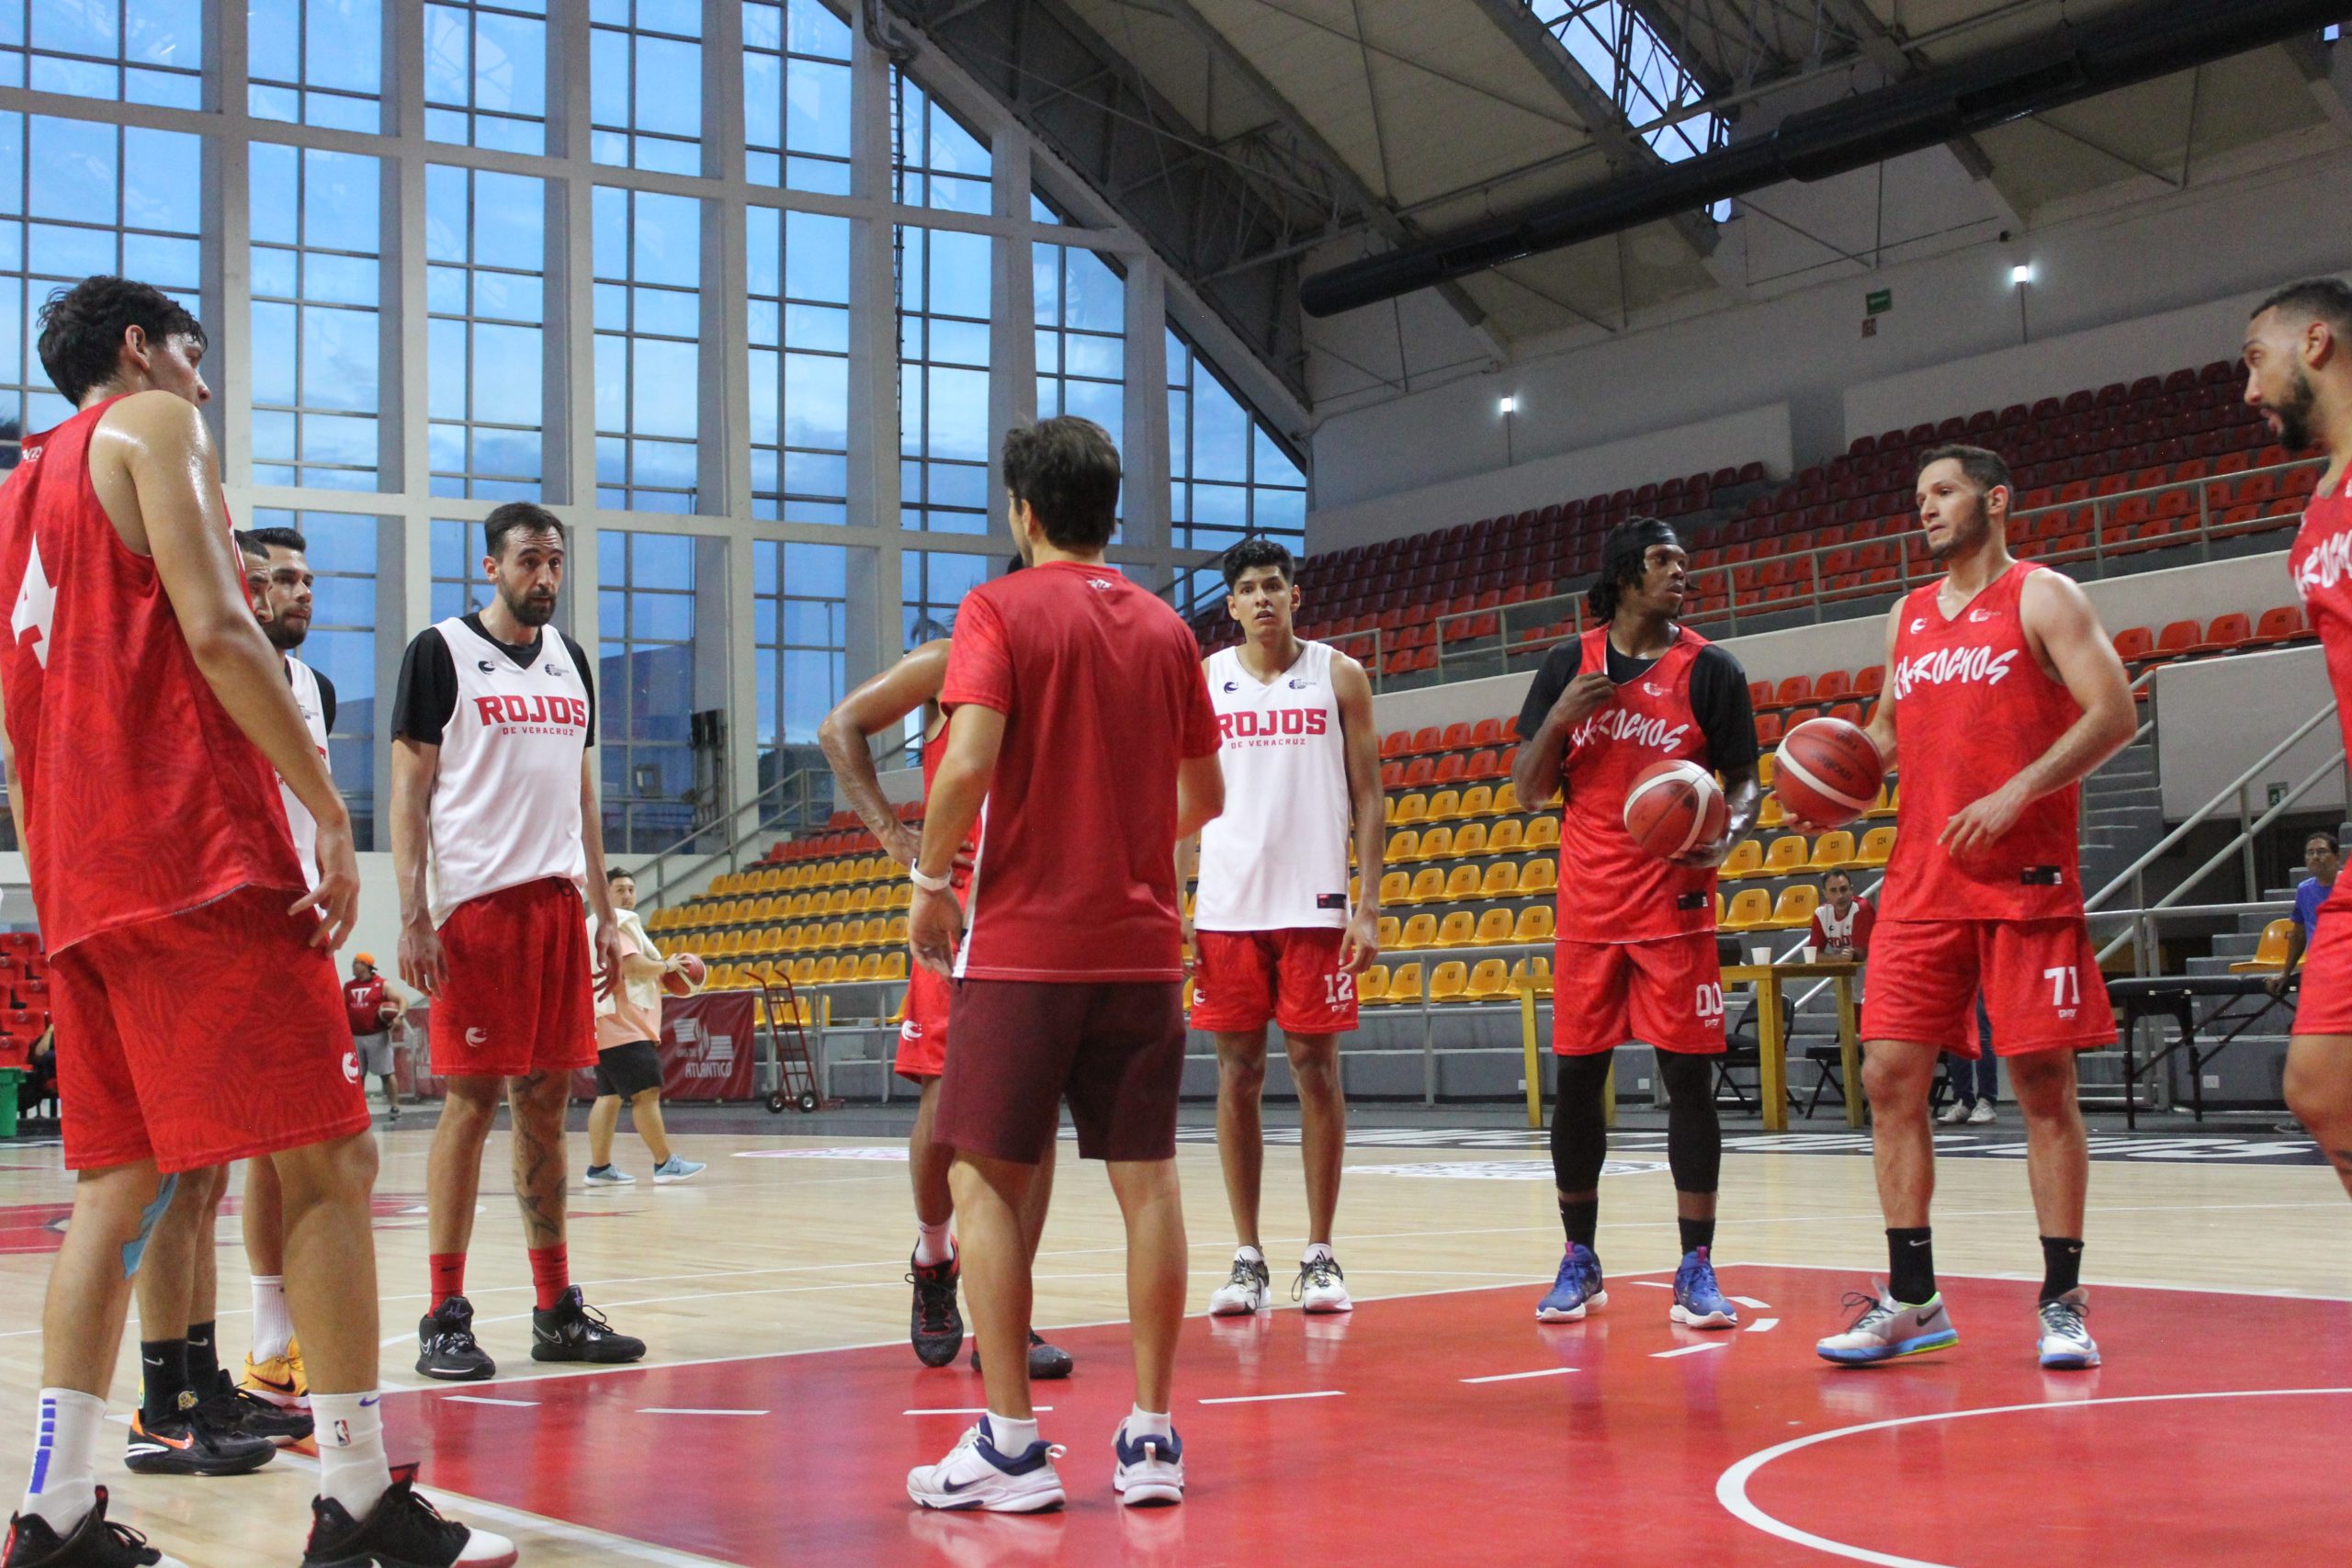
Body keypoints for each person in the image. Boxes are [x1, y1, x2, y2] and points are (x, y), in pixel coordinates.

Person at [0, 276, 510, 1566]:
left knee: (116, 1185)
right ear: (138, 348)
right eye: (192, 353)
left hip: (79, 878)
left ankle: (53, 1514)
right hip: (195, 858)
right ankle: (354, 1501)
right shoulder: (150, 426)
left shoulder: (16, 491)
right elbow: (222, 629)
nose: (206, 383)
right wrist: (325, 805)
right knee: (334, 1161)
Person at [904, 416, 1224, 1513]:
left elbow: (970, 760)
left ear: (1023, 513)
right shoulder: (1169, 629)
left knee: (979, 1179)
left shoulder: (995, 608)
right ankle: (1151, 1439)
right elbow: (1205, 798)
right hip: (1141, 947)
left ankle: (1008, 1445)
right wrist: (1131, 838)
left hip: (1028, 947)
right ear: (1109, 511)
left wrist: (930, 875)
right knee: (1150, 1186)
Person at [1813, 444, 2133, 1371]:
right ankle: (1913, 1299)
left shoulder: (2042, 595)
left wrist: (2014, 794)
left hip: (2022, 878)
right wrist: (1831, 778)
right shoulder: (1905, 616)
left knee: (2041, 1086)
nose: (1925, 508)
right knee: (1887, 1080)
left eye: (1943, 492)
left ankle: (2062, 1301)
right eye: (1918, 497)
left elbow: (2112, 713)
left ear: (1995, 499)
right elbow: (1881, 732)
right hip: (1919, 884)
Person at [392, 502, 642, 1382]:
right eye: (529, 561)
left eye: (556, 562)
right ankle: (444, 1313)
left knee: (546, 1107)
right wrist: (414, 911)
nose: (544, 576)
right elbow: (409, 790)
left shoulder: (573, 662)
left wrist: (606, 911)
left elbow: (582, 791)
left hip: (556, 908)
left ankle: (554, 1307)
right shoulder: (441, 651)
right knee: (469, 1106)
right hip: (475, 912)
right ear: (491, 567)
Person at [1512, 515, 1759, 1333]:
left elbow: (1747, 782)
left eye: (1686, 560)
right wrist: (1558, 719)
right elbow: (1526, 791)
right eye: (1663, 560)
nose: (1681, 571)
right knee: (1578, 1086)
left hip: (1676, 909)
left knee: (1689, 1085)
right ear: (1623, 576)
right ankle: (1578, 1258)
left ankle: (1696, 1264)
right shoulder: (1565, 667)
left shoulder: (1711, 669)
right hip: (1589, 908)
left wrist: (1725, 835)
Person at [818, 642, 1070, 1378]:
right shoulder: (953, 659)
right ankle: (935, 1257)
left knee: (1037, 1112)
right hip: (960, 914)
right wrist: (903, 845)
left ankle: (1006, 1313)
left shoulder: (1067, 661)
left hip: (1040, 904)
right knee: (943, 1097)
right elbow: (839, 728)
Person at [1185, 537, 1382, 1317]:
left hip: (1316, 905)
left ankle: (1320, 1252)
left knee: (1315, 1069)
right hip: (1228, 907)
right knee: (1236, 1074)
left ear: (1295, 595)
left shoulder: (1339, 674)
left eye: (1274, 584)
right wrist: (1179, 905)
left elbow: (1369, 794)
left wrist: (1369, 904)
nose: (1262, 597)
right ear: (1230, 605)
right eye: (1247, 589)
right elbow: (1182, 799)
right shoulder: (1205, 681)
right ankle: (1246, 1256)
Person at [2247, 278, 2352, 1194]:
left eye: (2255, 360)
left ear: (2313, 341)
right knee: (2319, 1085)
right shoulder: (2314, 519)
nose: (2248, 391)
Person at [582, 868, 706, 1187]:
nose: (627, 895)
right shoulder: (615, 924)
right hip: (624, 1025)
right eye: (620, 888)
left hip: (606, 1023)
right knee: (646, 1093)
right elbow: (632, 966)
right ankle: (665, 1162)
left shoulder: (596, 925)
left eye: (631, 889)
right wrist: (667, 967)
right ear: (604, 893)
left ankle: (599, 1167)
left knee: (608, 1097)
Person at [2268, 830, 2338, 1000]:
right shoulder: (2304, 890)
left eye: (2321, 852)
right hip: (2319, 969)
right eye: (2310, 852)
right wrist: (2285, 972)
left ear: (2337, 856)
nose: (2315, 857)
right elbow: (2299, 935)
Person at [343, 953, 409, 1123]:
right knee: (357, 1076)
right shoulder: (348, 987)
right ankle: (357, 1109)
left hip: (377, 1036)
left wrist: (399, 1016)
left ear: (366, 965)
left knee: (386, 1073)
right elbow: (341, 1009)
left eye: (356, 963)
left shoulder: (382, 984)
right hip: (355, 1037)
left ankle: (395, 1106)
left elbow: (402, 1000)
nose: (352, 966)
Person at [1809, 869, 1874, 961]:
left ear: (1851, 890)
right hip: (1844, 971)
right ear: (1825, 894)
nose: (1840, 896)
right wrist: (1836, 958)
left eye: (1843, 889)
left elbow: (1862, 955)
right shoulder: (1821, 913)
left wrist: (1831, 958)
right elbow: (1811, 956)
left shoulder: (1861, 908)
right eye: (1833, 891)